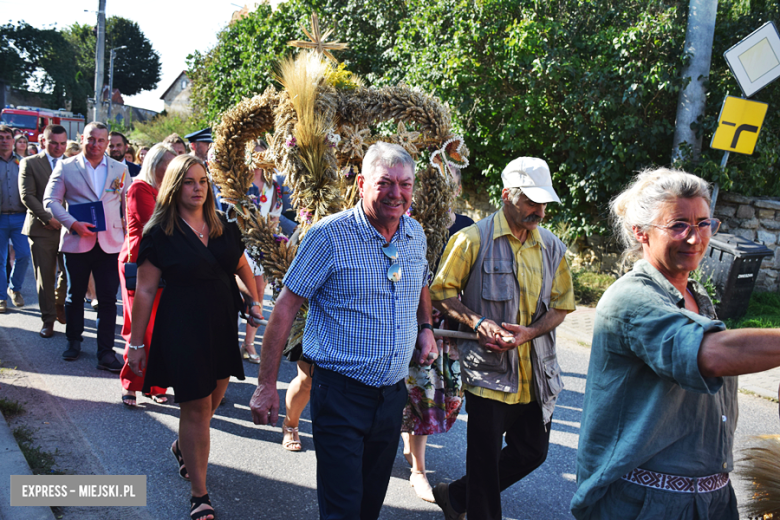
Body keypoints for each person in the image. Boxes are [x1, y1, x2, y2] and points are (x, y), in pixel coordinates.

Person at [571, 168, 780, 519]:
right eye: (678, 225)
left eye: (702, 223)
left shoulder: (696, 297)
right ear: (641, 232)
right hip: (645, 503)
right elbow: (712, 354)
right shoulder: (632, 299)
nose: (694, 237)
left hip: (711, 498)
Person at [250, 142, 437, 520]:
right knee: (343, 511)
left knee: (368, 508)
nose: (396, 194)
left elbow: (420, 284)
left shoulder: (415, 234)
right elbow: (285, 307)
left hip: (391, 397)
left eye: (405, 184)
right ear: (362, 184)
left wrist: (426, 328)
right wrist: (266, 384)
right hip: (340, 395)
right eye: (386, 183)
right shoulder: (329, 236)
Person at [430, 156, 575, 520]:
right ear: (506, 195)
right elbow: (442, 293)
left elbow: (562, 306)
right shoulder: (471, 240)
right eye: (531, 201)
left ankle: (457, 496)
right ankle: (471, 501)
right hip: (489, 373)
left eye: (544, 203)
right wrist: (479, 324)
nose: (539, 211)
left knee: (533, 452)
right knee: (484, 463)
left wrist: (530, 333)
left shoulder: (552, 248)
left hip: (536, 373)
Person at [127, 154, 264, 520]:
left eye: (202, 181)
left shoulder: (222, 225)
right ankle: (199, 493)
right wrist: (135, 344)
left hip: (221, 326)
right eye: (189, 181)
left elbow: (240, 266)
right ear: (174, 186)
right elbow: (144, 291)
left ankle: (182, 448)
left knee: (213, 400)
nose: (198, 188)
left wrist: (254, 301)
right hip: (182, 327)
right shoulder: (159, 234)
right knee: (197, 407)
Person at [401, 164, 474, 502]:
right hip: (407, 318)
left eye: (450, 183)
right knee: (419, 396)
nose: (443, 188)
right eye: (436, 183)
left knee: (435, 397)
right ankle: (418, 470)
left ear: (457, 189)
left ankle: (412, 449)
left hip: (445, 328)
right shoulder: (410, 223)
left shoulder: (467, 227)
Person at [43, 121, 129, 371]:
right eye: (91, 139)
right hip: (77, 239)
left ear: (107, 142)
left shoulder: (119, 168)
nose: (96, 144)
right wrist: (72, 224)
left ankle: (106, 352)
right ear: (82, 138)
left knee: (107, 299)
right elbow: (51, 200)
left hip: (110, 243)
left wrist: (130, 237)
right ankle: (73, 340)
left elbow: (127, 204)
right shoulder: (66, 166)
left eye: (101, 140)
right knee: (75, 295)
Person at [118, 143, 177, 406]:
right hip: (137, 263)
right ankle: (130, 383)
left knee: (161, 327)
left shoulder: (169, 190)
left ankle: (155, 384)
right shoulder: (139, 188)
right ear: (156, 166)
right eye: (170, 165)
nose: (174, 170)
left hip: (163, 263)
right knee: (138, 326)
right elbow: (153, 226)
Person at [18, 125, 68, 336]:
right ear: (42, 142)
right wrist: (48, 218)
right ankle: (47, 320)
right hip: (42, 228)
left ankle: (58, 303)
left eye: (63, 143)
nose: (58, 148)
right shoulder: (30, 163)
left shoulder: (72, 163)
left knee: (69, 274)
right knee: (45, 276)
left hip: (68, 228)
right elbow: (27, 195)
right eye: (53, 143)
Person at [240, 141, 283, 364]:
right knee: (235, 294)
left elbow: (276, 214)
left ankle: (249, 343)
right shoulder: (239, 180)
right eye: (254, 154)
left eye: (262, 155)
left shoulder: (272, 183)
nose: (258, 158)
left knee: (257, 295)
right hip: (239, 244)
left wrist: (269, 237)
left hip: (260, 246)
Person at [0, 124, 31, 313]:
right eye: (0, 137)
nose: (4, 141)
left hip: (20, 216)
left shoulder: (23, 162)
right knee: (0, 259)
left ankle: (15, 288)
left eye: (7, 137)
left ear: (13, 140)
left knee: (24, 255)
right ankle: (1, 297)